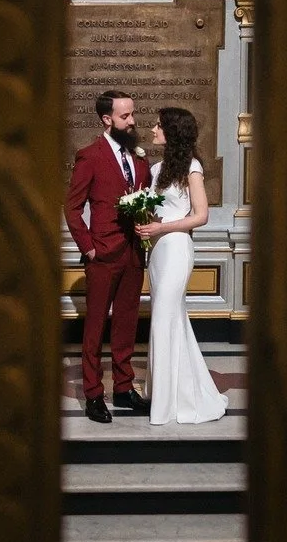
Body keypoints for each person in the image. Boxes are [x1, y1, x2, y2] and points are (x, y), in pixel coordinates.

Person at [134, 107, 230, 425]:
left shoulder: (192, 166)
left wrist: (162, 228)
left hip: (176, 248)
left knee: (164, 317)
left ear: (173, 132)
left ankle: (168, 403)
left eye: (159, 126)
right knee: (169, 319)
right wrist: (144, 220)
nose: (153, 130)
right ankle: (166, 392)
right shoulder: (158, 167)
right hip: (159, 252)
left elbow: (201, 216)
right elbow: (155, 210)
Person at [64, 90, 152, 423]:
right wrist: (88, 247)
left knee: (127, 324)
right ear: (107, 119)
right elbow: (72, 209)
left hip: (133, 253)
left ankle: (125, 389)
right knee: (96, 326)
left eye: (133, 114)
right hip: (102, 253)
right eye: (125, 116)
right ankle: (93, 394)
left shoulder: (139, 158)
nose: (133, 121)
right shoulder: (90, 155)